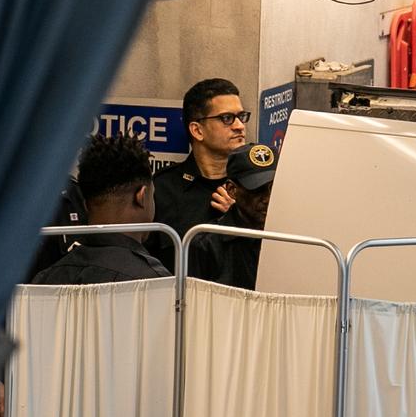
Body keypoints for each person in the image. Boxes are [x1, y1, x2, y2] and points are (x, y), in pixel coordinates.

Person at [32, 134, 169, 284]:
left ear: (85, 205)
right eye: (152, 195)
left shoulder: (45, 279)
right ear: (141, 197)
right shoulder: (156, 283)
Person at [148, 78, 251, 269]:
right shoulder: (163, 189)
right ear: (197, 130)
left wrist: (242, 217)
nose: (239, 126)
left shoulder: (254, 188)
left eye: (241, 116)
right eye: (227, 118)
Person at [188, 143, 278, 290]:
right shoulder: (206, 245)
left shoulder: (292, 238)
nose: (267, 198)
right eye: (257, 189)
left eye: (273, 188)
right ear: (232, 190)